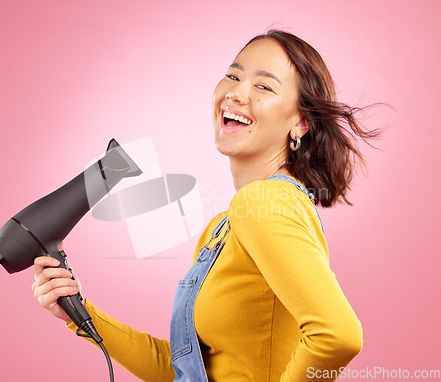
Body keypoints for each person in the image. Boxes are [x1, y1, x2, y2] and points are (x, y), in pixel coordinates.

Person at [32, 30, 379, 381]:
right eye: (233, 75)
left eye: (264, 86)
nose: (236, 92)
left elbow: (338, 336)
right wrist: (79, 313)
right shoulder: (223, 226)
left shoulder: (264, 203)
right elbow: (185, 369)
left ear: (300, 122)